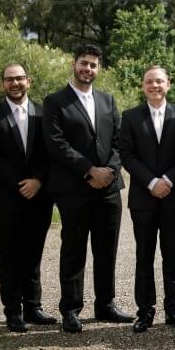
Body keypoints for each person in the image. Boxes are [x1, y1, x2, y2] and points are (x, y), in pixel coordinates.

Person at [42, 44, 130, 333]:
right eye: (83, 63)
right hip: (73, 188)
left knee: (107, 249)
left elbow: (119, 141)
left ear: (98, 68)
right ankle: (70, 308)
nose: (87, 69)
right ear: (73, 63)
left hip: (108, 189)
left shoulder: (108, 100)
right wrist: (89, 171)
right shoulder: (55, 101)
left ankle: (105, 304)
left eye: (93, 65)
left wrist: (110, 171)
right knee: (74, 249)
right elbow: (56, 144)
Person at [0, 63, 56, 333]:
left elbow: (52, 153)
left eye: (19, 78)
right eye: (9, 79)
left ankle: (33, 306)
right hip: (6, 198)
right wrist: (18, 183)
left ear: (29, 81)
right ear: (2, 84)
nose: (15, 83)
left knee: (33, 253)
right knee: (9, 255)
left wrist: (38, 181)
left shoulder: (44, 114)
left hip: (40, 196)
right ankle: (13, 310)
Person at [120, 66, 175, 333]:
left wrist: (168, 181)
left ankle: (173, 310)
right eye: (149, 82)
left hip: (174, 197)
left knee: (171, 256)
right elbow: (127, 155)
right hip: (143, 197)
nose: (154, 86)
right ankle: (145, 311)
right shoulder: (130, 116)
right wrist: (151, 182)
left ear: (168, 84)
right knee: (144, 256)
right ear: (143, 86)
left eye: (159, 81)